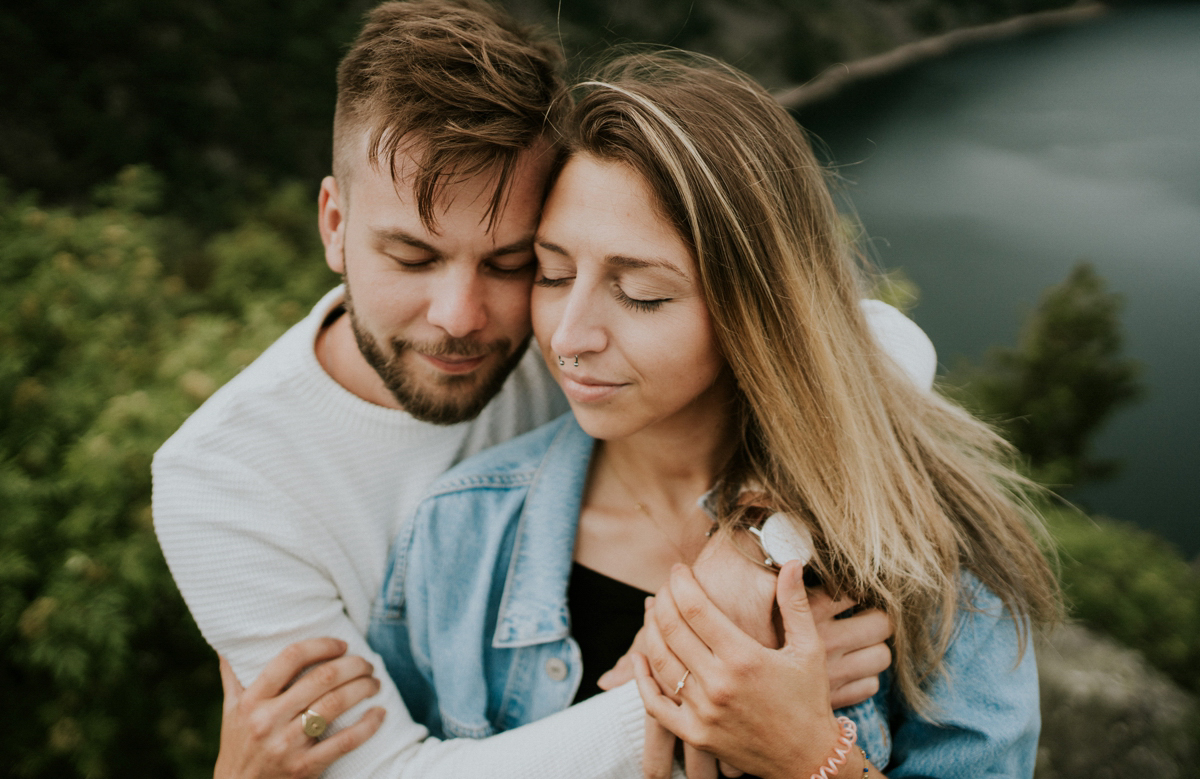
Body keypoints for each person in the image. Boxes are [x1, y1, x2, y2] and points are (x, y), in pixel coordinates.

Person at [151, 0, 935, 779]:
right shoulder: (221, 482)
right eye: (412, 258)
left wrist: (757, 544)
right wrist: (714, 680)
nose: (460, 317)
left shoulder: (566, 334)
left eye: (513, 263)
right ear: (332, 224)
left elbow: (864, 340)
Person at [367, 51, 1060, 779]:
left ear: (755, 312)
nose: (569, 336)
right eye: (553, 272)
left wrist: (809, 757)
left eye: (641, 293)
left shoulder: (931, 563)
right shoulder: (461, 531)